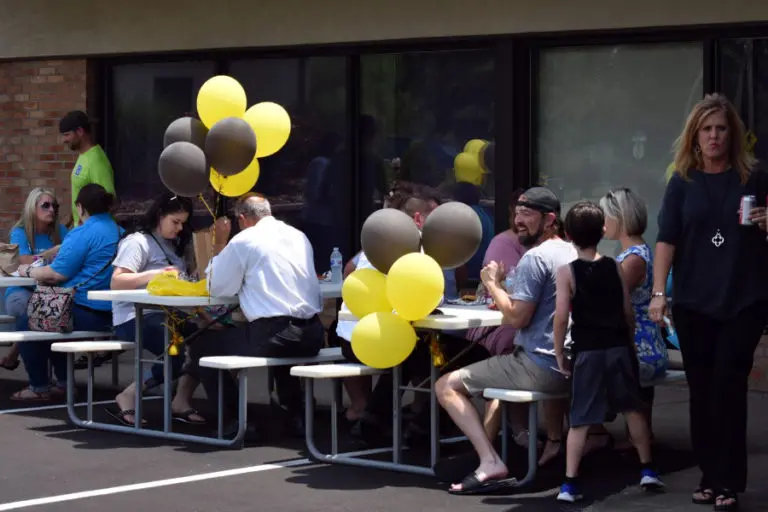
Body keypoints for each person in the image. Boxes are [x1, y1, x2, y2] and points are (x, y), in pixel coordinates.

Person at [649, 93, 768, 511]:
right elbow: (666, 239)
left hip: (744, 298)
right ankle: (709, 475)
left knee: (728, 387)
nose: (714, 136)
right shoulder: (683, 181)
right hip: (694, 301)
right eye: (707, 130)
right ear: (695, 137)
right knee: (701, 391)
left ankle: (730, 481)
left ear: (732, 135)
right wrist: (659, 294)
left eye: (721, 129)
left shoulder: (754, 177)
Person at [435, 186, 575, 495]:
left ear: (550, 219)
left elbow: (516, 318)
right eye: (517, 213)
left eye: (527, 214)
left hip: (538, 366)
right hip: (570, 366)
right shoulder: (571, 250)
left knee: (445, 385)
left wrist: (492, 283)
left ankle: (489, 461)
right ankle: (512, 439)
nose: (518, 221)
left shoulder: (535, 258)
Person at [189, 194, 324, 441]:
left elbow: (217, 287)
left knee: (202, 346)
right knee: (281, 349)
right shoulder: (298, 236)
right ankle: (298, 416)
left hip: (275, 333)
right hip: (313, 333)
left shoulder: (245, 240)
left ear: (242, 218)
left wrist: (220, 244)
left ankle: (233, 422)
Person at [553, 201, 663, 503]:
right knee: (632, 408)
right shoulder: (615, 265)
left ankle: (570, 483)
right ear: (603, 230)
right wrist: (627, 340)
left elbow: (561, 316)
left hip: (588, 351)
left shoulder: (567, 272)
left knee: (580, 418)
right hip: (617, 347)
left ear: (567, 234)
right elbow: (627, 311)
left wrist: (559, 350)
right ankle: (648, 468)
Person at [12, 184, 120, 401]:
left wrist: (29, 270)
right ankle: (63, 383)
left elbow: (55, 274)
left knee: (28, 324)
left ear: (80, 208)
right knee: (51, 324)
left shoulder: (83, 233)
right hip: (114, 312)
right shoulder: (118, 230)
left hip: (86, 309)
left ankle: (39, 388)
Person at [107, 193, 203, 426]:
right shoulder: (137, 242)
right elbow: (117, 281)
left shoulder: (172, 246)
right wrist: (153, 274)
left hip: (168, 313)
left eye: (183, 223)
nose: (180, 228)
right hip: (134, 315)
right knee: (175, 348)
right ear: (160, 216)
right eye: (175, 222)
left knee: (206, 340)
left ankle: (180, 401)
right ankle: (129, 394)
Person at [599, 187, 668, 445]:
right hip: (645, 342)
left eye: (605, 216)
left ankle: (593, 431)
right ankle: (636, 436)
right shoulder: (638, 252)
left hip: (637, 346)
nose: (602, 224)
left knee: (578, 366)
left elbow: (607, 300)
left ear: (619, 218)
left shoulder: (633, 260)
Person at [2, 188, 68, 371]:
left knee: (52, 314)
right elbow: (24, 262)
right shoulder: (20, 232)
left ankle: (55, 381)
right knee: (33, 313)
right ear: (32, 208)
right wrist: (52, 252)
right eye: (45, 206)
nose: (51, 210)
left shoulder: (60, 231)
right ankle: (40, 381)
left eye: (54, 206)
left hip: (51, 290)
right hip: (21, 290)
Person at [59, 111, 115, 226]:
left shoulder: (96, 161)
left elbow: (108, 200)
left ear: (80, 131)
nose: (63, 140)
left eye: (67, 135)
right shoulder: (84, 155)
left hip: (93, 236)